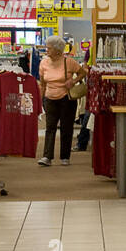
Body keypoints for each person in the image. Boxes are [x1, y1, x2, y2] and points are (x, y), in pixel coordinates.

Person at [37, 36, 87, 167]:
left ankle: (65, 156)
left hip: (66, 98)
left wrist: (73, 81)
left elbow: (83, 73)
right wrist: (40, 99)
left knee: (66, 128)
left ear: (58, 50)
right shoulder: (43, 63)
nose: (46, 50)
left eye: (49, 48)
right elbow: (42, 84)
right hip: (49, 98)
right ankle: (47, 156)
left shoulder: (69, 62)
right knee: (50, 127)